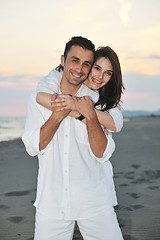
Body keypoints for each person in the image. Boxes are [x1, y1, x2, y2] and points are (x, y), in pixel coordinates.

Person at [22, 36, 124, 240]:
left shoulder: (97, 101)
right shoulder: (41, 97)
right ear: (63, 60)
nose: (79, 69)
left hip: (94, 200)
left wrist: (89, 114)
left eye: (86, 64)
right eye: (74, 60)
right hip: (52, 202)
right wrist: (63, 112)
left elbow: (102, 153)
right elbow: (33, 147)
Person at [36, 46, 124, 133]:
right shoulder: (61, 75)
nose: (100, 77)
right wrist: (85, 118)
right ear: (88, 66)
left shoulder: (103, 94)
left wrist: (76, 106)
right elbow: (41, 98)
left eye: (108, 73)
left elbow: (116, 125)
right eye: (97, 68)